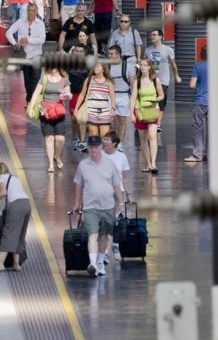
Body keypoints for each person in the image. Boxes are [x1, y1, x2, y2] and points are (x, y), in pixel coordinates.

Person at [72, 135, 122, 276]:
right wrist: (77, 204)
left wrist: (121, 202)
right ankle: (92, 263)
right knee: (92, 235)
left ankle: (100, 262)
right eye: (91, 147)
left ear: (101, 147)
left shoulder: (109, 164)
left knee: (104, 236)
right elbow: (79, 186)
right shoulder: (83, 165)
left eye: (96, 147)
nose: (94, 150)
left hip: (107, 206)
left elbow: (116, 184)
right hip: (90, 207)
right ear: (88, 148)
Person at [0, 162, 32, 272]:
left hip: (16, 206)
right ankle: (16, 264)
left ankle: (0, 264)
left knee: (8, 233)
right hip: (26, 204)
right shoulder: (15, 178)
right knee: (19, 234)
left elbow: (2, 193)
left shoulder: (1, 177)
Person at [27, 66, 71, 172]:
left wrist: (66, 95)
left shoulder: (64, 79)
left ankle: (57, 156)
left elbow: (68, 94)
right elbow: (36, 93)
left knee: (60, 138)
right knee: (49, 138)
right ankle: (51, 164)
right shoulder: (44, 78)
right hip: (46, 111)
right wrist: (31, 107)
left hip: (59, 112)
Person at [6, 3, 46, 106]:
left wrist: (28, 40)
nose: (31, 13)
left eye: (33, 11)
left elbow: (42, 39)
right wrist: (15, 43)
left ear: (37, 11)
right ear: (27, 11)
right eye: (29, 10)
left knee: (36, 78)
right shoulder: (20, 22)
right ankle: (29, 100)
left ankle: (36, 101)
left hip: (36, 54)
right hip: (24, 55)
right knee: (27, 79)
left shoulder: (40, 24)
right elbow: (8, 33)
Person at [130, 58, 164, 174]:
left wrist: (155, 99)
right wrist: (132, 114)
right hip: (140, 111)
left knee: (152, 136)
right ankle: (148, 164)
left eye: (145, 65)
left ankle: (153, 163)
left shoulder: (155, 80)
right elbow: (133, 98)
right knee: (143, 139)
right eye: (142, 65)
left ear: (149, 67)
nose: (143, 67)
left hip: (153, 110)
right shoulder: (137, 81)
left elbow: (161, 95)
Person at [144, 29, 182, 133]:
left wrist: (176, 76)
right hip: (150, 79)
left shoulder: (168, 49)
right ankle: (150, 120)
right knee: (150, 100)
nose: (152, 36)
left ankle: (158, 123)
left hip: (163, 80)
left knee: (161, 102)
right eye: (151, 35)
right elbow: (144, 65)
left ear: (161, 37)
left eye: (154, 35)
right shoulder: (147, 50)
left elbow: (173, 64)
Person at [101, 131, 130, 262]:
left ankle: (115, 245)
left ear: (114, 143)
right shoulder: (99, 155)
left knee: (117, 221)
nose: (104, 142)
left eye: (107, 140)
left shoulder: (121, 157)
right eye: (104, 139)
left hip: (118, 193)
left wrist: (127, 194)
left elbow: (125, 177)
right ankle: (104, 250)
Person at [74, 62, 116, 139]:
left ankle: (103, 151)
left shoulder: (108, 82)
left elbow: (113, 97)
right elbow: (82, 94)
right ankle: (95, 150)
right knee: (93, 135)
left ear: (103, 69)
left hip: (104, 111)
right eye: (94, 67)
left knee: (105, 136)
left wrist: (113, 109)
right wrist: (76, 108)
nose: (95, 68)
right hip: (91, 111)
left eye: (97, 66)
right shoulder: (89, 80)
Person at [107, 44, 135, 151]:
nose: (109, 56)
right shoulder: (107, 66)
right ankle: (113, 140)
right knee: (110, 120)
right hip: (111, 96)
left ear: (118, 54)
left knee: (122, 120)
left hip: (124, 95)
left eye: (112, 54)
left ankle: (120, 143)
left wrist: (133, 98)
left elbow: (132, 83)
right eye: (109, 54)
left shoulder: (128, 66)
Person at [184, 45, 208, 162]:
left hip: (200, 101)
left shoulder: (198, 66)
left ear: (201, 54)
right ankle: (210, 154)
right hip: (214, 102)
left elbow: (192, 84)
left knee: (198, 128)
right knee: (212, 129)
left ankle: (197, 154)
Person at [67, 43, 91, 152]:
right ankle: (75, 139)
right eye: (76, 51)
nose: (78, 53)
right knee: (74, 119)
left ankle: (82, 141)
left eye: (81, 51)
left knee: (82, 118)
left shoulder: (88, 65)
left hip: (84, 95)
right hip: (73, 94)